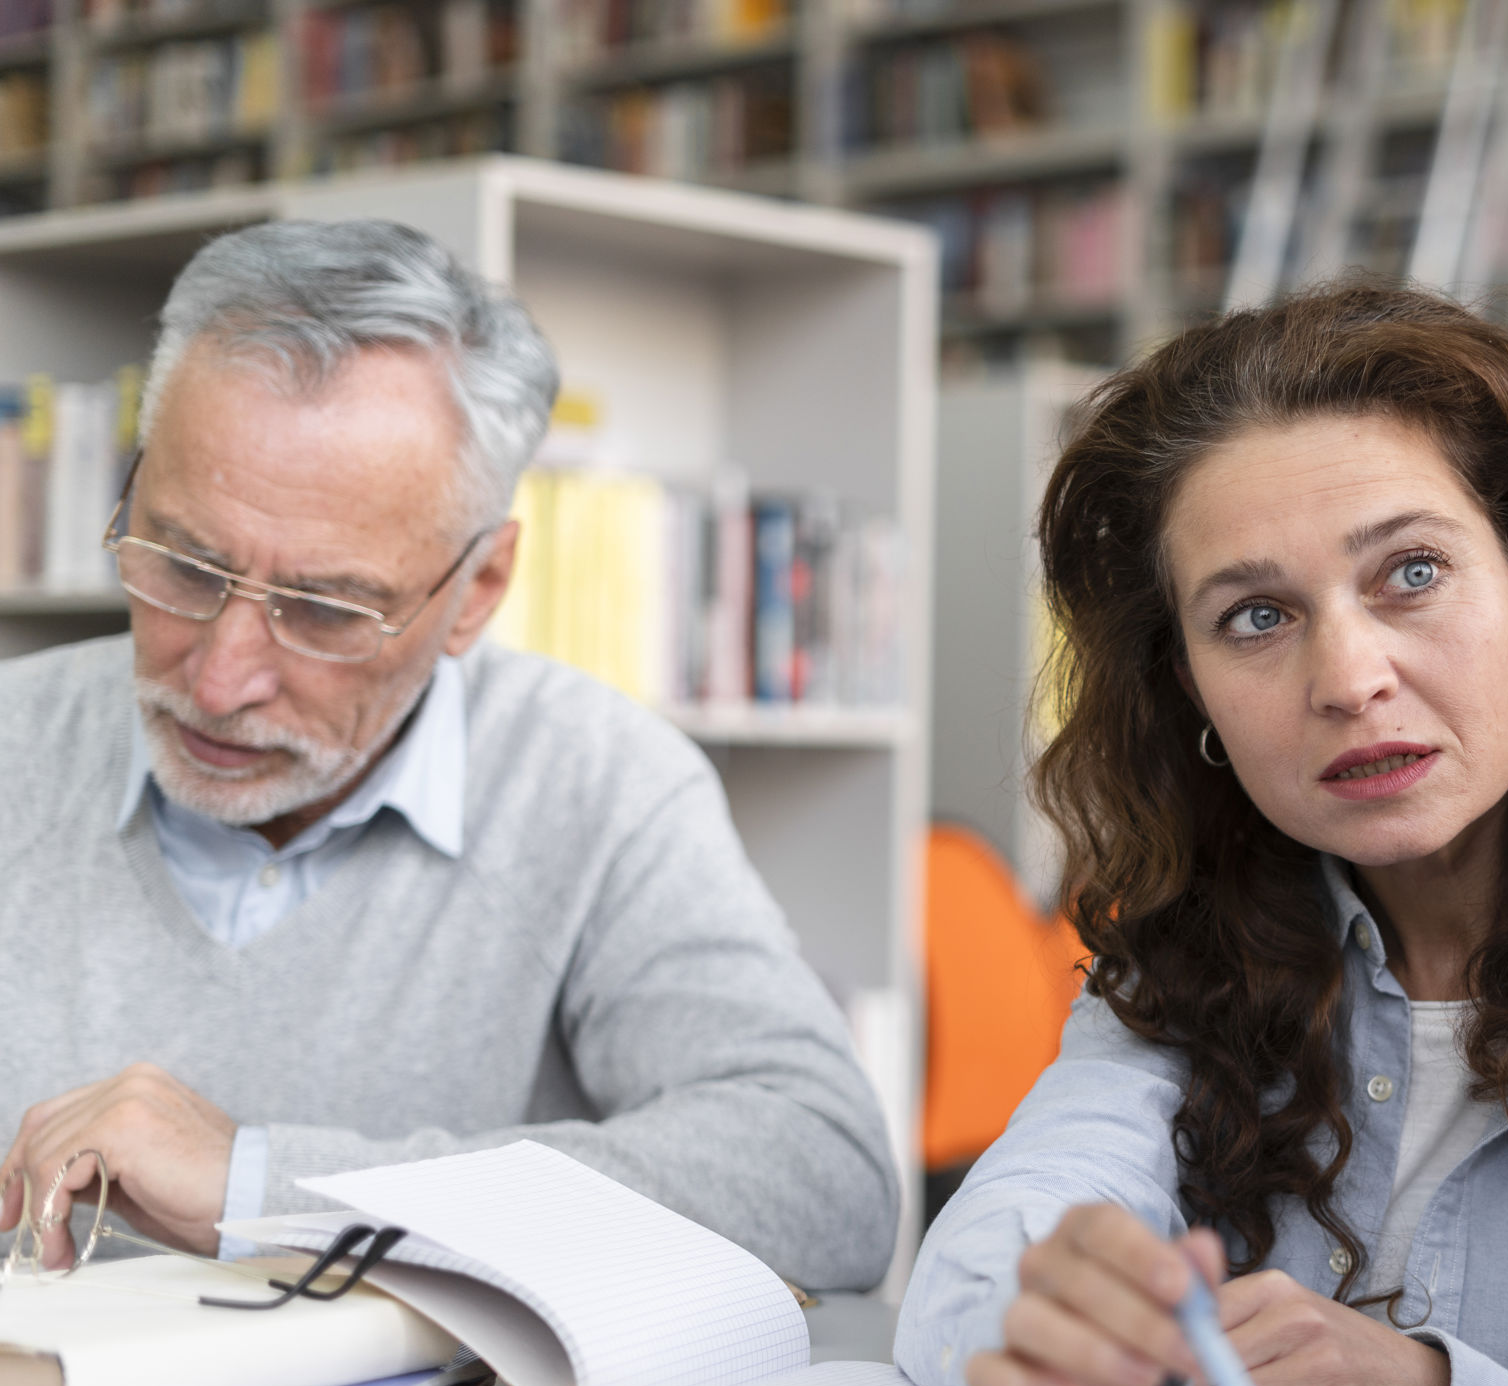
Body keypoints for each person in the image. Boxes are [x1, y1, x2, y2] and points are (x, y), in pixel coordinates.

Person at [895, 284, 1508, 1386]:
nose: (1347, 678)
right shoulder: (1190, 957)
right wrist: (1059, 1321)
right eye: (1255, 617)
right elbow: (979, 1271)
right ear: (1186, 683)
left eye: (1412, 572)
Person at [0, 218, 897, 1292]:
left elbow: (822, 1179)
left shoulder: (600, 784)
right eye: (184, 566)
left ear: (478, 590)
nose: (221, 679)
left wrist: (265, 1189)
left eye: (326, 610)